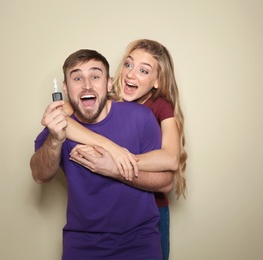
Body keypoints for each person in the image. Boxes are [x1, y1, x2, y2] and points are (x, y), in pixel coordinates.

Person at [30, 49, 174, 259]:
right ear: (65, 88)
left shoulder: (141, 117)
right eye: (77, 78)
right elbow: (39, 175)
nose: (87, 85)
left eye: (95, 76)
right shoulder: (57, 126)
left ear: (108, 83)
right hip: (82, 245)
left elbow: (166, 182)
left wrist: (113, 169)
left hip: (140, 242)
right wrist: (55, 139)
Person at [66, 39, 187, 260]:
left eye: (143, 70)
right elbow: (62, 118)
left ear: (157, 81)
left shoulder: (161, 106)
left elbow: (170, 159)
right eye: (128, 65)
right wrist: (110, 147)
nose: (131, 74)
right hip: (108, 219)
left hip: (153, 209)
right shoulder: (107, 99)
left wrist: (117, 160)